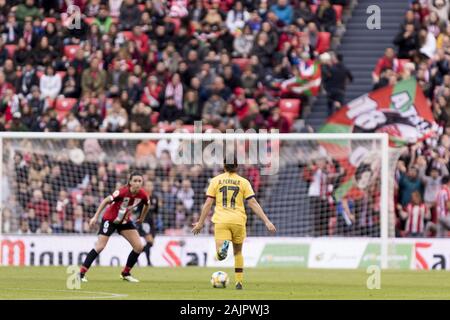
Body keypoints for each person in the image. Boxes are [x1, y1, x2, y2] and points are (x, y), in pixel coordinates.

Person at [192, 156, 276, 290]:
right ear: (237, 167)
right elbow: (252, 202)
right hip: (238, 220)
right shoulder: (243, 182)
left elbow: (208, 203)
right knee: (238, 252)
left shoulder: (216, 181)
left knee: (220, 256)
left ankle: (223, 248)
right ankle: (239, 282)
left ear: (224, 165)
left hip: (221, 220)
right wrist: (267, 221)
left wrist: (200, 223)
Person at [79, 172, 150, 282]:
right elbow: (106, 200)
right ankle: (81, 274)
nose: (137, 183)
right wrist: (95, 217)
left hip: (124, 222)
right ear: (130, 182)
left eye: (139, 181)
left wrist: (142, 218)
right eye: (135, 181)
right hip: (110, 220)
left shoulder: (142, 194)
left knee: (139, 246)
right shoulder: (122, 192)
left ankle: (125, 273)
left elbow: (147, 204)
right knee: (100, 246)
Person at [136, 180, 159, 266]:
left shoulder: (155, 198)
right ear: (144, 187)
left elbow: (156, 211)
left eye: (151, 185)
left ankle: (135, 255)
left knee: (150, 243)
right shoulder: (141, 197)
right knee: (150, 241)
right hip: (144, 221)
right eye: (147, 186)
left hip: (152, 222)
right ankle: (149, 262)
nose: (149, 187)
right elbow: (137, 211)